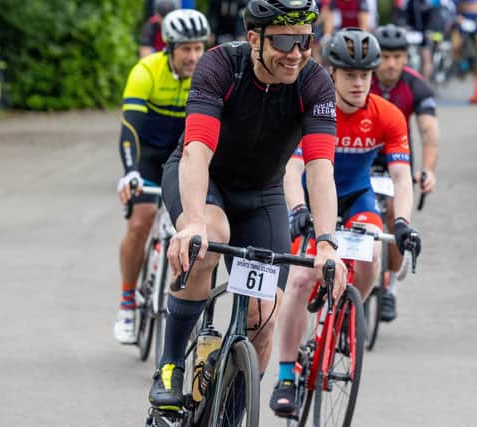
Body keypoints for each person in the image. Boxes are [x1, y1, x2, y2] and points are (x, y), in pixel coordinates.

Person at [149, 0, 348, 410]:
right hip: (206, 182)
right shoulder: (220, 66)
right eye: (285, 42)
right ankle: (170, 364)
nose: (296, 53)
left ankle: (233, 412)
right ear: (254, 38)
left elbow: (320, 169)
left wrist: (327, 244)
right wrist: (193, 225)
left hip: (262, 194)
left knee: (264, 317)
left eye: (305, 41)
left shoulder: (314, 83)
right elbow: (197, 152)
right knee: (209, 240)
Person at [270, 28, 420, 417]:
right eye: (349, 75)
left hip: (355, 196)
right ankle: (286, 375)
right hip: (310, 198)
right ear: (331, 74)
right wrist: (298, 208)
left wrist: (402, 221)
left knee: (371, 254)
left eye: (365, 75)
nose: (358, 83)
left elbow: (403, 177)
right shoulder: (315, 107)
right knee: (302, 279)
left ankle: (343, 316)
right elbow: (293, 168)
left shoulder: (387, 115)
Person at [113, 9, 210, 344]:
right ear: (169, 47)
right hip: (149, 156)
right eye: (186, 49)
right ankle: (127, 301)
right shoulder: (146, 71)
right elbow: (130, 128)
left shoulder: (208, 74)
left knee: (188, 229)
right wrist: (129, 173)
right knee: (141, 220)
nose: (194, 56)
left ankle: (180, 308)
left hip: (183, 158)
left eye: (199, 48)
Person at [371, 24, 439, 320]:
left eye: (398, 56)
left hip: (396, 162)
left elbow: (429, 132)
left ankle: (389, 286)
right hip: (359, 158)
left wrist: (428, 170)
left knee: (391, 215)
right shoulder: (359, 78)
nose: (391, 64)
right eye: (385, 56)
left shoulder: (416, 85)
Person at [405, 0, 445, 82]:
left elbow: (436, 18)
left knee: (426, 57)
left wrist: (431, 31)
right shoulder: (411, 3)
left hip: (430, 32)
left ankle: (425, 82)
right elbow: (407, 17)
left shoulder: (434, 2)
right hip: (415, 33)